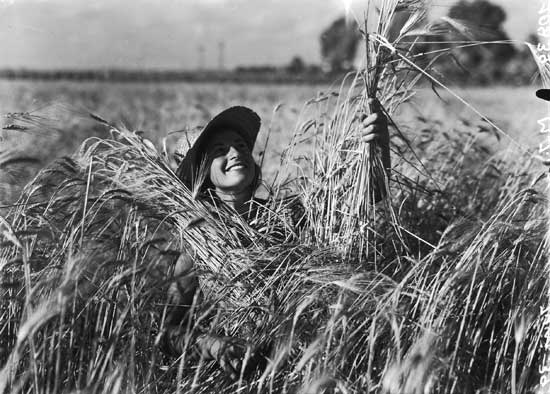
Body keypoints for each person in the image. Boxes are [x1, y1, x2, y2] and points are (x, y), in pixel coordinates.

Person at [161, 102, 390, 379]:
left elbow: (369, 194)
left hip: (302, 371)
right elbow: (168, 333)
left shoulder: (287, 214)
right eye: (220, 150)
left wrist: (377, 143)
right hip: (238, 380)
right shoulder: (198, 244)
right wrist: (212, 345)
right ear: (203, 174)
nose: (235, 153)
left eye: (241, 146)